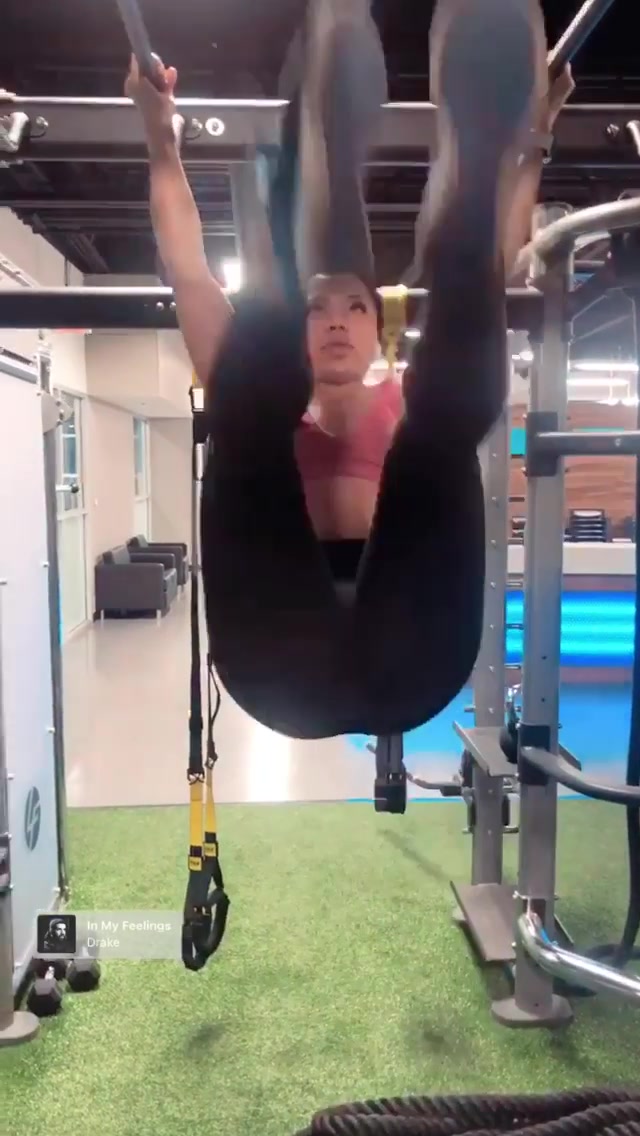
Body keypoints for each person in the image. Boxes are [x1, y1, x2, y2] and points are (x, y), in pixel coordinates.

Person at [127, 0, 574, 741]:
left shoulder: (411, 399)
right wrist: (158, 141)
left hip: (411, 652)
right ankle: (295, 222)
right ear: (300, 330)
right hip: (282, 667)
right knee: (244, 413)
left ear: (379, 331)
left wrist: (532, 138)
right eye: (317, 307)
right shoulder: (257, 396)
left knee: (440, 418)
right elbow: (187, 267)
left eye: (355, 307)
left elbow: (500, 258)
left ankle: (428, 183)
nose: (336, 319)